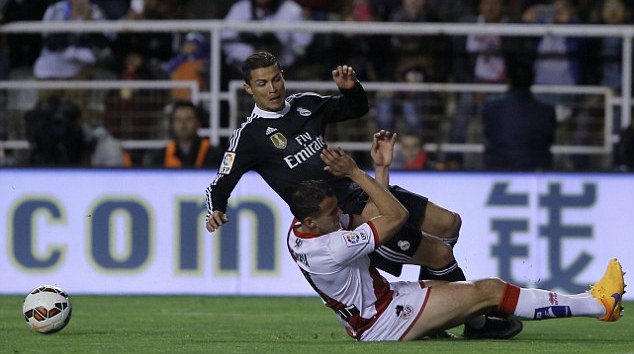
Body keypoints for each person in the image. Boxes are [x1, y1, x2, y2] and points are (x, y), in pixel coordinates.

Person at [204, 52, 520, 338]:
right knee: (439, 255)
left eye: (276, 78)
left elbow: (356, 108)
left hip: (364, 190)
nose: (272, 88)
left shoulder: (306, 105)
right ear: (249, 90)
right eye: (262, 83)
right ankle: (475, 323)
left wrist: (350, 88)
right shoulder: (249, 137)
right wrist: (216, 208)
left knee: (450, 222)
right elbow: (221, 181)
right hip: (343, 217)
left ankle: (435, 315)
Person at [287, 145, 625, 341]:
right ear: (311, 221)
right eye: (333, 213)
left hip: (384, 301)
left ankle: (478, 328)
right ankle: (598, 305)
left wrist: (381, 168)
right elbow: (396, 216)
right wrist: (359, 174)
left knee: (468, 292)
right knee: (489, 290)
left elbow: (379, 213)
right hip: (384, 320)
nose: (341, 214)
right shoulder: (332, 247)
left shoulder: (301, 232)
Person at [482, 60, 557, 170]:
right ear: (532, 80)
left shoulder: (491, 108)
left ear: (509, 80)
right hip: (534, 171)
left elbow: (488, 134)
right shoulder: (547, 111)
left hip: (499, 169)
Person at [155, 100, 223, 168]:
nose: (183, 125)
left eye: (188, 119)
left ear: (198, 123)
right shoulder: (163, 155)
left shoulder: (212, 153)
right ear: (172, 124)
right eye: (178, 120)